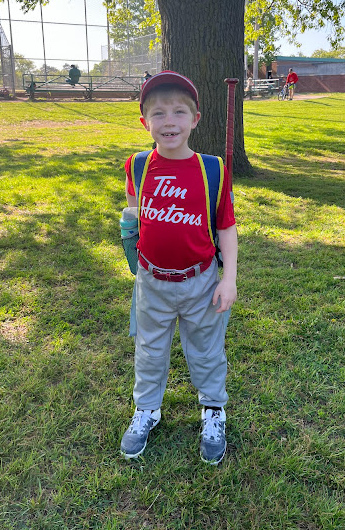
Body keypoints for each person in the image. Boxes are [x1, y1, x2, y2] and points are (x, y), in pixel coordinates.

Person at [121, 70, 238, 465]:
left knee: (206, 350)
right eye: (158, 113)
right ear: (145, 122)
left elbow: (226, 228)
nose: (168, 121)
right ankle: (147, 409)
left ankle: (213, 409)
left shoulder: (212, 170)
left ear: (195, 119)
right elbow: (135, 214)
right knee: (149, 350)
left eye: (178, 112)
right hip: (152, 280)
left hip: (200, 280)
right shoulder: (137, 166)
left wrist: (228, 279)